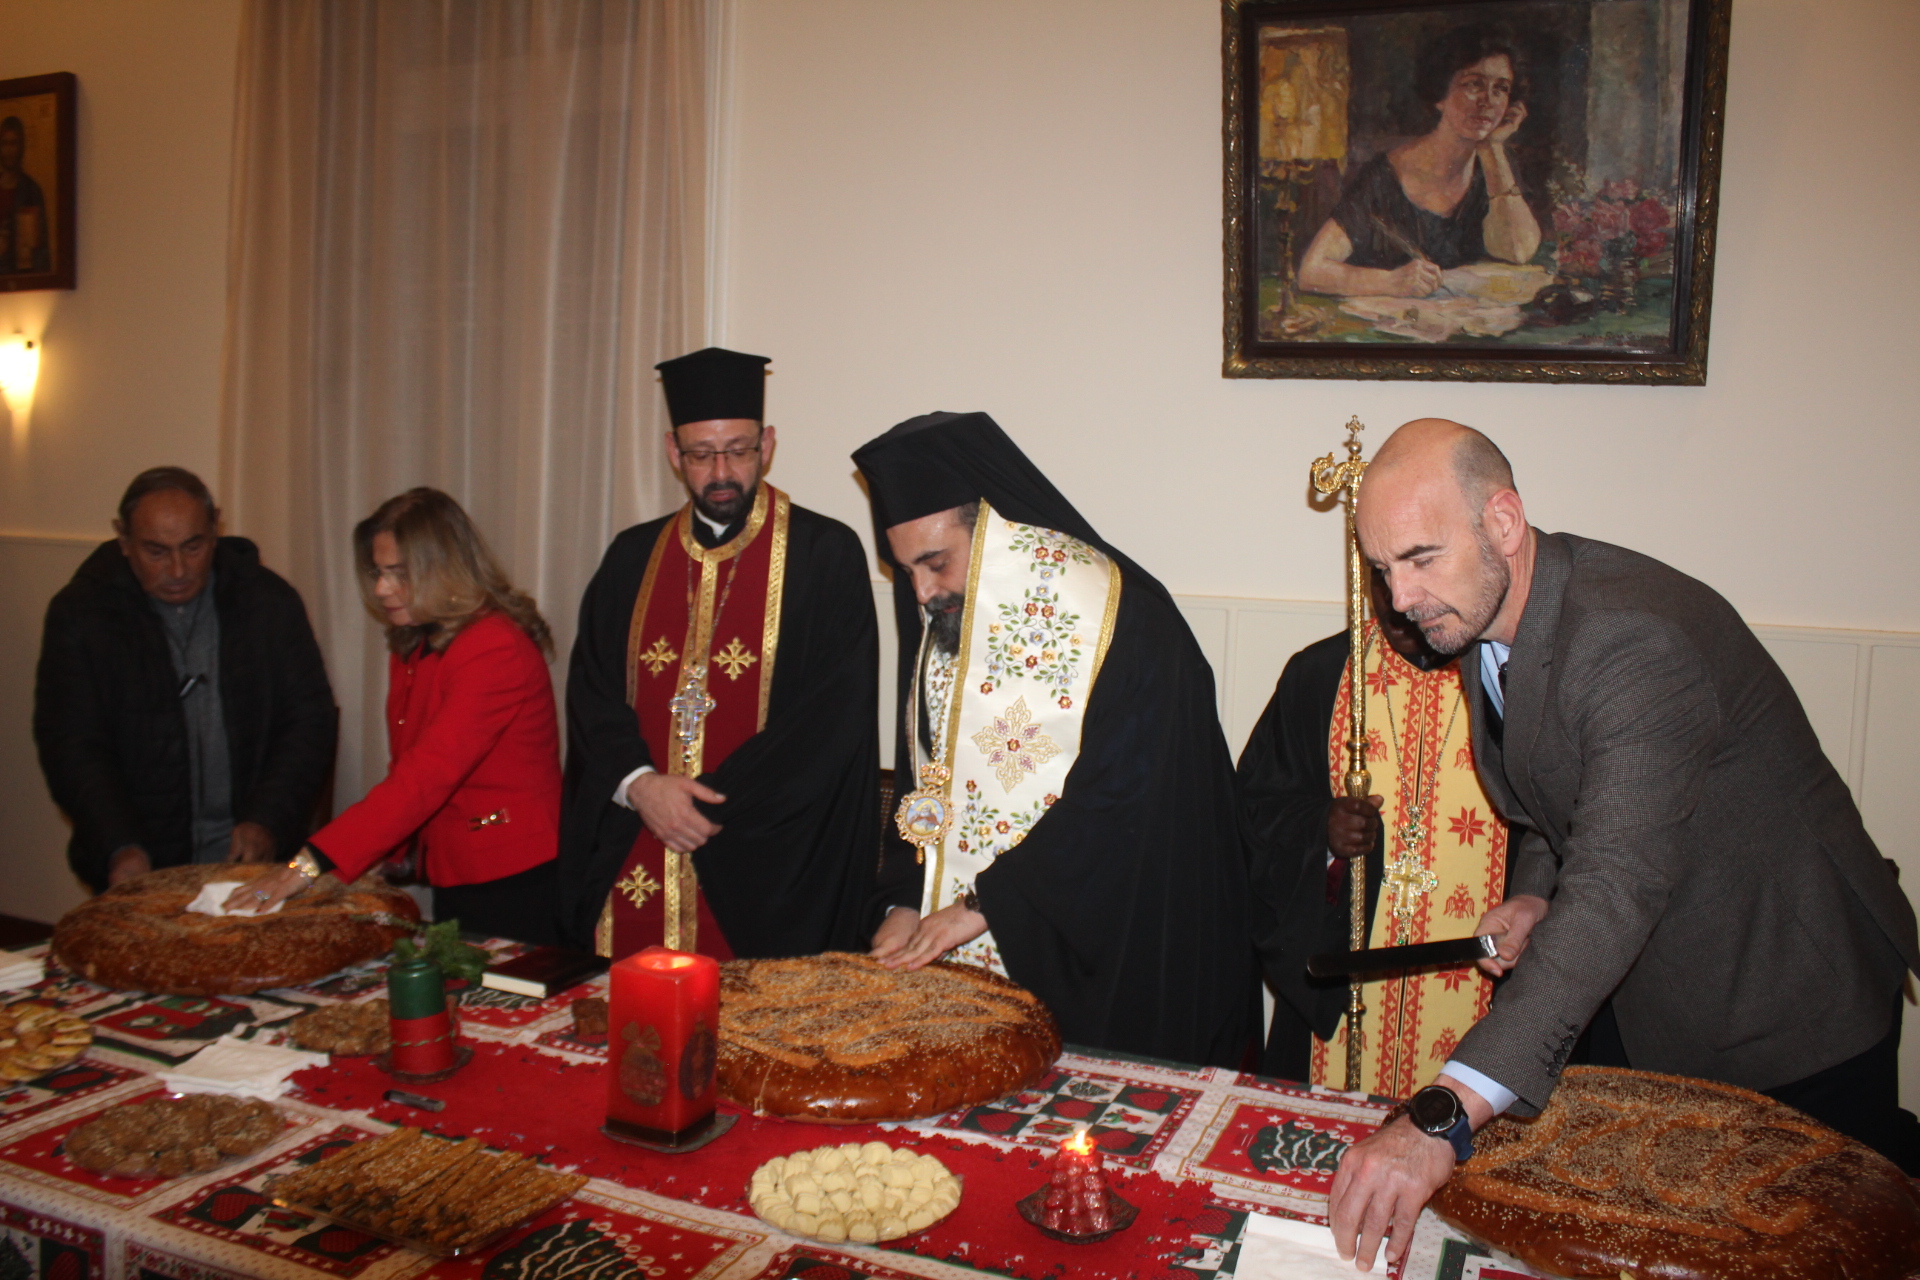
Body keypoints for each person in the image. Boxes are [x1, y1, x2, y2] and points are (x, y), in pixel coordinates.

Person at [1329, 418, 1920, 1270]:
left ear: (1503, 522)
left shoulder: (1633, 640)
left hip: (1786, 988)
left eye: (1420, 557)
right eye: (1383, 569)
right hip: (1661, 988)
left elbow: (1614, 886)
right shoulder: (1484, 607)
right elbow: (1559, 791)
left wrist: (1441, 1117)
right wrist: (1535, 892)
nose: (1402, 598)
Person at [852, 411, 1255, 1068]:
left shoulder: (1127, 619)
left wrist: (985, 904)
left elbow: (1125, 809)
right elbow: (927, 778)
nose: (921, 592)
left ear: (995, 530)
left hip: (1097, 959)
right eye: (905, 570)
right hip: (952, 948)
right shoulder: (942, 616)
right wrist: (903, 898)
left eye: (935, 562)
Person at [557, 347, 878, 960]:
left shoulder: (825, 555)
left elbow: (832, 721)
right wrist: (640, 786)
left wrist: (703, 806)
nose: (722, 471)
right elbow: (591, 693)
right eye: (702, 454)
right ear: (673, 452)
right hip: (636, 840)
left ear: (768, 445)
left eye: (738, 450)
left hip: (769, 861)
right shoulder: (631, 557)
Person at [230, 489, 563, 945]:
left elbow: (425, 777)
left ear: (444, 569)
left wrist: (306, 866)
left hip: (513, 875)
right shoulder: (417, 641)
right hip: (458, 865)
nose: (381, 589)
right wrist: (384, 855)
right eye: (379, 572)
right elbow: (407, 770)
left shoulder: (493, 647)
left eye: (399, 574)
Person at [1239, 571, 1509, 1087]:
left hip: (1481, 993)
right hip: (1337, 1005)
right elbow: (1254, 811)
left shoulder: (1507, 677)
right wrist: (1319, 829)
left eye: (1421, 574)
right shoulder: (1320, 676)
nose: (1397, 602)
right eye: (1380, 576)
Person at [34, 467, 336, 894]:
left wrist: (267, 819)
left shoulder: (268, 602)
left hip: (251, 864)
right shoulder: (81, 615)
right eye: (156, 552)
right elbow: (70, 743)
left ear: (215, 530)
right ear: (124, 540)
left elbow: (308, 720)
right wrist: (119, 844)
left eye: (193, 547)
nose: (177, 569)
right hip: (139, 860)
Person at [1298, 25, 1541, 298]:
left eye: (1501, 89)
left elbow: (1517, 251)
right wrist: (1391, 282)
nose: (1488, 101)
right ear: (1440, 94)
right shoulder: (1385, 176)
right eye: (1474, 84)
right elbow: (1311, 271)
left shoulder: (1495, 169)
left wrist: (1492, 148)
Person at [0, 115, 50, 276]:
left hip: (22, 273)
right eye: (4, 144)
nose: (9, 151)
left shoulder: (31, 191)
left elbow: (40, 249)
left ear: (21, 146)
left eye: (14, 143)